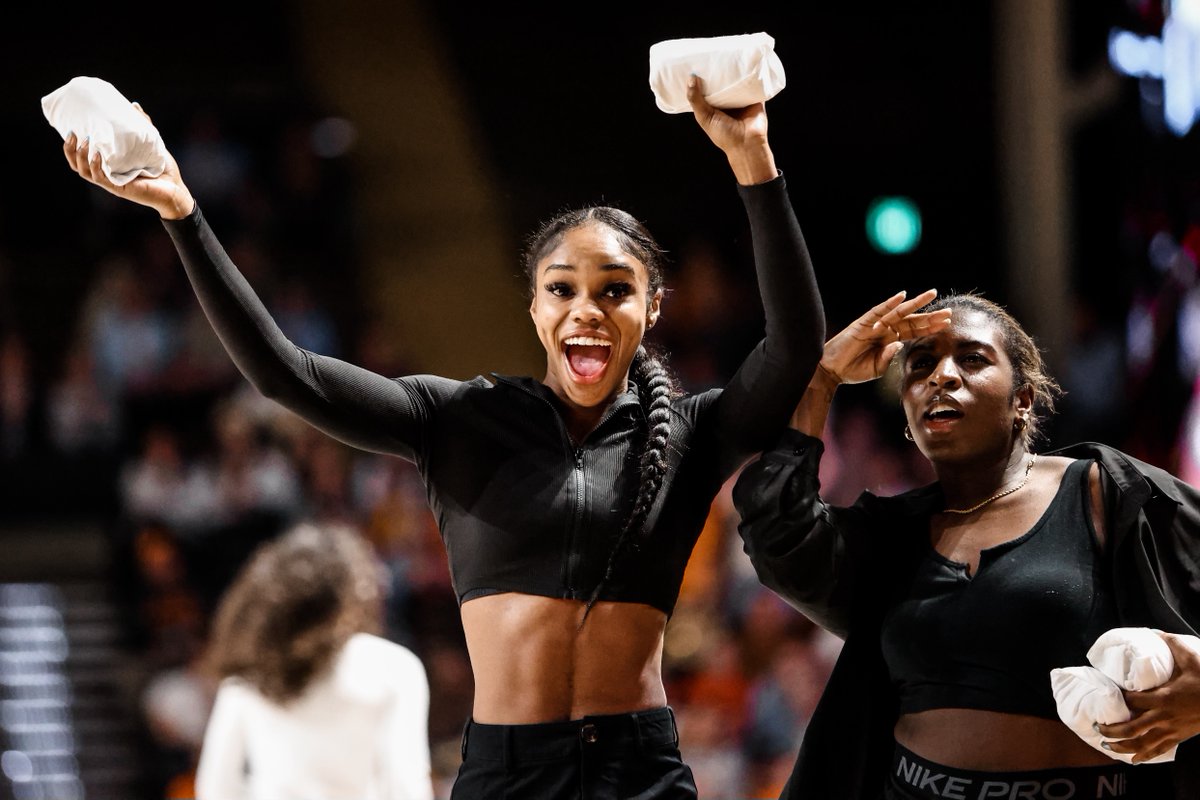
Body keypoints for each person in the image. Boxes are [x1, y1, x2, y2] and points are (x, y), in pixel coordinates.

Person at [61, 74, 824, 798]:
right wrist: (182, 215)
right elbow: (284, 373)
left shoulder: (691, 432)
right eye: (562, 289)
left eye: (615, 290)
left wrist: (752, 156)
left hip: (642, 772)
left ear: (652, 310)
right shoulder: (458, 419)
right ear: (533, 309)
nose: (586, 308)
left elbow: (793, 347)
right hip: (507, 773)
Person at [730, 289, 1200, 799]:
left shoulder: (1104, 493)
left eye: (972, 359)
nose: (942, 376)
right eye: (921, 366)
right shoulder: (892, 536)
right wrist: (823, 379)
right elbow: (776, 533)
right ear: (908, 415)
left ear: (1022, 399)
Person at [194, 520, 434, 800]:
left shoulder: (253, 669)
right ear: (353, 590)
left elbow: (215, 787)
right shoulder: (393, 667)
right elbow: (407, 784)